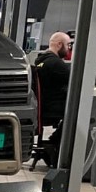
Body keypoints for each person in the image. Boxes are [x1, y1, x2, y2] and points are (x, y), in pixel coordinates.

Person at [34, 32, 72, 165]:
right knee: (77, 114)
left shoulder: (41, 60)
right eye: (68, 45)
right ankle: (53, 143)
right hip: (52, 108)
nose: (69, 49)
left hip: (42, 106)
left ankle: (52, 144)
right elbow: (76, 80)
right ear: (59, 44)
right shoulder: (56, 63)